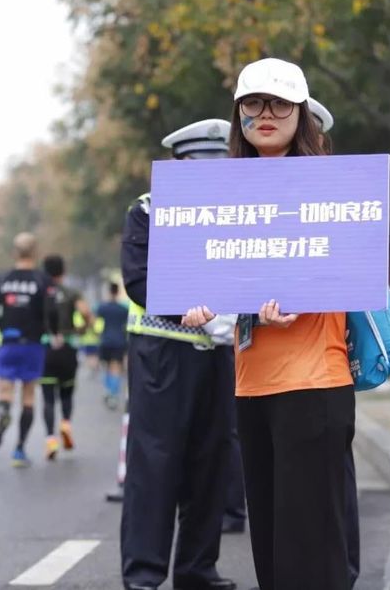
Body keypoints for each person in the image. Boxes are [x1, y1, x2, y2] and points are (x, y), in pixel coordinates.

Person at [184, 58, 353, 589]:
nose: (265, 114)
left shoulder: (333, 185)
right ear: (238, 114)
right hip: (252, 382)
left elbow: (348, 267)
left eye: (280, 104)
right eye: (253, 103)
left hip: (313, 381)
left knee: (312, 550)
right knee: (273, 549)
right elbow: (216, 275)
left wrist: (297, 296)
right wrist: (197, 302)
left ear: (301, 113)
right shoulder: (222, 193)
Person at [121, 118, 237, 590]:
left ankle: (197, 570)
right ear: (177, 164)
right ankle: (144, 575)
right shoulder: (149, 209)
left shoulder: (239, 212)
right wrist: (200, 311)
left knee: (211, 464)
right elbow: (139, 281)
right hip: (162, 353)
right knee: (156, 464)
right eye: (200, 165)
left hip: (219, 353)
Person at [0, 232, 51, 468]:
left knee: (5, 390)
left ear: (15, 252)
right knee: (28, 396)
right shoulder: (42, 280)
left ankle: (3, 410)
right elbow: (50, 311)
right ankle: (19, 449)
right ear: (35, 252)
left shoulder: (3, 279)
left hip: (9, 341)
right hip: (32, 343)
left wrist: (2, 326)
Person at [39, 255, 94, 460]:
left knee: (48, 397)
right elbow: (86, 312)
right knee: (66, 393)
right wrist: (82, 328)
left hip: (46, 348)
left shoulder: (41, 293)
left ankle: (50, 440)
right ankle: (65, 424)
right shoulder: (71, 292)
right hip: (68, 348)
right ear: (63, 271)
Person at [95, 281, 129, 410]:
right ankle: (113, 394)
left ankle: (108, 391)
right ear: (118, 292)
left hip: (106, 340)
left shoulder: (102, 308)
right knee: (116, 368)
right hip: (120, 341)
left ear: (109, 292)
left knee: (106, 367)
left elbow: (96, 324)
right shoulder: (123, 309)